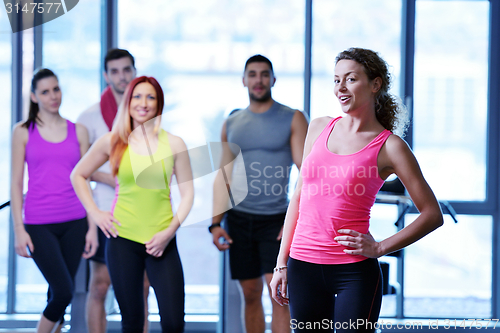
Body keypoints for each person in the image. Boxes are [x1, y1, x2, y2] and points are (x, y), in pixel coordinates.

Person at [269, 47, 444, 332]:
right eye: (336, 80)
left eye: (350, 79)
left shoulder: (390, 146)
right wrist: (281, 264)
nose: (341, 87)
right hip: (302, 267)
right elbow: (299, 197)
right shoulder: (318, 127)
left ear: (375, 84)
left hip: (354, 273)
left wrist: (380, 247)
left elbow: (432, 214)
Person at [71, 76, 193, 333]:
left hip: (162, 241)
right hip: (122, 240)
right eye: (137, 96)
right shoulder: (112, 141)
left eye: (150, 97)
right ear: (128, 102)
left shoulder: (174, 143)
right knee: (133, 321)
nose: (143, 103)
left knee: (174, 322)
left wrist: (168, 233)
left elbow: (189, 194)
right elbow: (78, 175)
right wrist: (95, 213)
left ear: (159, 104)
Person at [209, 54, 309, 333]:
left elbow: (307, 173)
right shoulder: (232, 122)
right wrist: (215, 223)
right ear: (244, 80)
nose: (258, 80)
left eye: (264, 74)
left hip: (277, 220)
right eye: (252, 74)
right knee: (250, 294)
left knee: (279, 296)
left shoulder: (293, 118)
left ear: (273, 79)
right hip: (239, 220)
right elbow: (223, 175)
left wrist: (296, 222)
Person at [10, 68, 98, 333]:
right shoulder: (23, 131)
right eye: (45, 92)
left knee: (57, 291)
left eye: (56, 89)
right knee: (64, 291)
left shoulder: (79, 131)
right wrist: (18, 230)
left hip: (75, 222)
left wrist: (92, 228)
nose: (53, 96)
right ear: (34, 97)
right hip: (38, 224)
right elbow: (15, 183)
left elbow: (86, 181)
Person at [77, 48, 151, 333]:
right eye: (115, 71)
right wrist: (112, 178)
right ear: (106, 75)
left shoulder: (146, 113)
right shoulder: (89, 117)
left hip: (141, 212)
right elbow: (81, 169)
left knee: (142, 287)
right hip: (105, 211)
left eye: (127, 70)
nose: (122, 76)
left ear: (134, 72)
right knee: (99, 286)